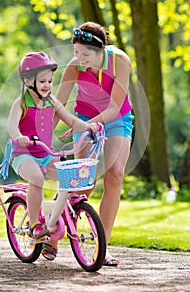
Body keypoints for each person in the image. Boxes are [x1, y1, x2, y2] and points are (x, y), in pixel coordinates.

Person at [56, 22, 134, 266]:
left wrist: (88, 126)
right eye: (76, 53)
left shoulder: (120, 61)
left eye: (86, 54)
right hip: (84, 117)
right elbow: (57, 105)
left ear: (102, 50)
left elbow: (113, 108)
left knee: (115, 174)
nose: (80, 59)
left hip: (117, 119)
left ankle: (102, 247)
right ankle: (55, 230)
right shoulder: (73, 67)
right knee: (83, 182)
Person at [7, 51, 98, 261]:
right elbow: (12, 126)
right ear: (28, 81)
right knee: (37, 178)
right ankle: (34, 225)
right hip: (24, 154)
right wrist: (19, 137)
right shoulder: (21, 103)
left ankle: (52, 218)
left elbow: (72, 121)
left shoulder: (52, 102)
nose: (47, 85)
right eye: (42, 81)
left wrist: (90, 127)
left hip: (46, 154)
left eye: (50, 80)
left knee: (69, 177)